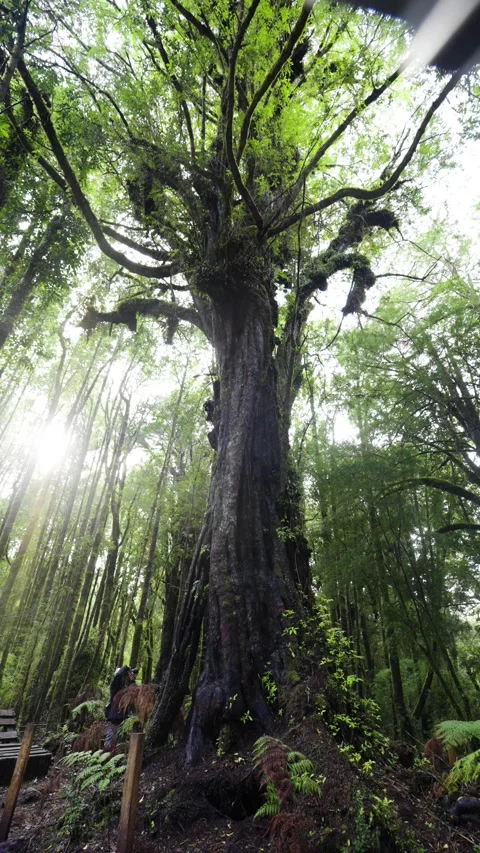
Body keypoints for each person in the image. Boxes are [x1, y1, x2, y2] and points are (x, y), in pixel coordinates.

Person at [104, 665, 138, 747]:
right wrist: (127, 668)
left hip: (123, 722)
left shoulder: (125, 690)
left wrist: (132, 680)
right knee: (109, 745)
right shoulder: (114, 689)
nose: (124, 678)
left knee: (119, 746)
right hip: (113, 722)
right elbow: (118, 676)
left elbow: (134, 692)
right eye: (124, 676)